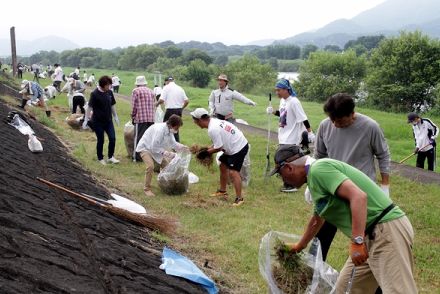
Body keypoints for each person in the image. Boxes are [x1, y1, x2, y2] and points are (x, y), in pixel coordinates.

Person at [270, 145, 417, 294]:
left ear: (289, 167)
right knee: (346, 288)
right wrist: (299, 246)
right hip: (369, 236)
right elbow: (318, 219)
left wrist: (357, 241)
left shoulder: (319, 169)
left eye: (280, 174)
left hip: (385, 231)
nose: (283, 179)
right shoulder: (313, 179)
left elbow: (359, 197)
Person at [314, 93, 391, 262]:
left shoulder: (370, 127)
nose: (335, 124)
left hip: (361, 193)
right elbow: (319, 155)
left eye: (340, 121)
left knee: (368, 240)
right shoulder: (325, 125)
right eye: (332, 119)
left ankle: (373, 281)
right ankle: (314, 273)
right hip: (333, 189)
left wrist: (385, 186)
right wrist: (314, 183)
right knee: (320, 238)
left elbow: (383, 155)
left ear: (352, 114)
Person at [191, 108, 249, 207]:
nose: (195, 123)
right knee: (223, 166)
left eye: (195, 120)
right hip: (232, 146)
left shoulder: (212, 129)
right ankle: (222, 191)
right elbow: (218, 142)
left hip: (238, 148)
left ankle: (239, 198)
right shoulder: (214, 122)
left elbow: (219, 147)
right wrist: (207, 149)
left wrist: (205, 153)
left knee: (233, 172)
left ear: (200, 120)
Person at [266, 78, 315, 192]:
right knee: (282, 162)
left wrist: (310, 132)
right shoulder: (283, 101)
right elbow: (284, 115)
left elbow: (303, 118)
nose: (277, 93)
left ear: (286, 89)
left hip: (291, 138)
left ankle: (292, 184)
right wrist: (273, 111)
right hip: (283, 136)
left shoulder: (294, 101)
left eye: (279, 90)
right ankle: (288, 182)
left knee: (282, 161)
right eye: (276, 90)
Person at [135, 115, 188, 197]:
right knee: (150, 166)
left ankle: (164, 185)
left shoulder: (169, 130)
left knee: (167, 167)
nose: (177, 130)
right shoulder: (160, 130)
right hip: (146, 147)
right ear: (171, 125)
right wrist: (167, 153)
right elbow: (153, 146)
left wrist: (182, 147)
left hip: (156, 150)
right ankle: (147, 189)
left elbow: (173, 143)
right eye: (177, 128)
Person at [83, 75, 120, 165]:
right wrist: (86, 119)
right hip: (97, 121)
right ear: (103, 85)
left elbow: (112, 105)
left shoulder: (109, 92)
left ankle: (111, 157)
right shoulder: (94, 94)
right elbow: (90, 107)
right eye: (108, 85)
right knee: (101, 139)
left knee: (112, 138)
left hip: (108, 120)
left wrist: (115, 116)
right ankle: (100, 158)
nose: (110, 86)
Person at [156, 76, 189, 142]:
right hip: (178, 110)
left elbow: (162, 100)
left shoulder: (166, 87)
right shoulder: (180, 88)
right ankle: (176, 144)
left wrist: (156, 104)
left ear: (166, 81)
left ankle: (165, 143)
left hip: (170, 110)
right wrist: (181, 108)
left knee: (165, 127)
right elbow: (187, 101)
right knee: (175, 128)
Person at [131, 76, 156, 161]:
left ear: (137, 84)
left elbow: (134, 106)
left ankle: (136, 157)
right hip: (151, 118)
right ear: (145, 83)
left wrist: (133, 116)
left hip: (140, 118)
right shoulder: (151, 91)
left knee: (138, 137)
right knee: (148, 138)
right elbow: (154, 105)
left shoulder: (136, 91)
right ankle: (148, 157)